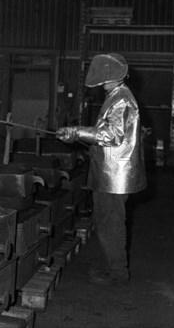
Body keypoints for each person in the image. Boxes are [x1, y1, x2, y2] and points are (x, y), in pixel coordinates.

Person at [57, 53, 146, 285]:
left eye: (105, 80)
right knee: (108, 220)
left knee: (110, 222)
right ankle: (114, 266)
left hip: (114, 177)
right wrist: (76, 135)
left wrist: (76, 132)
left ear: (114, 77)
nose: (102, 83)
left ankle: (117, 273)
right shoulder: (116, 95)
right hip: (112, 175)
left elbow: (110, 134)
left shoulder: (122, 100)